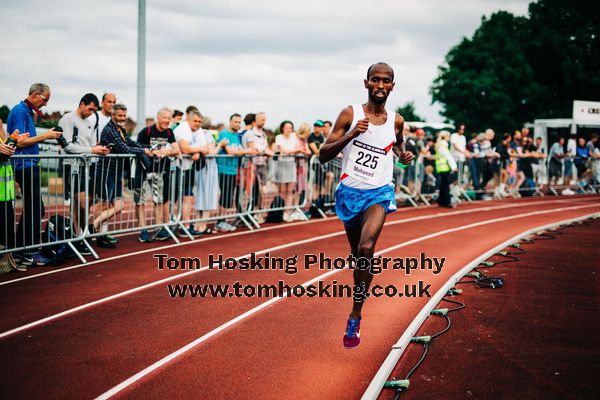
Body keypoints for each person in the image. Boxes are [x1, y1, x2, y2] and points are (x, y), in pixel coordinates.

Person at [318, 63, 412, 348]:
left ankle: (355, 315)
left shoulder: (397, 120)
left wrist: (402, 154)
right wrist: (351, 135)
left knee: (366, 248)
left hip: (379, 193)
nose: (380, 85)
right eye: (376, 80)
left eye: (386, 81)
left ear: (393, 86)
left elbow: (397, 144)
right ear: (366, 83)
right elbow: (323, 154)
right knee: (358, 259)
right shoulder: (351, 114)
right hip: (350, 193)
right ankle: (364, 271)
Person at [8, 83, 62, 266]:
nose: (46, 104)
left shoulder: (26, 111)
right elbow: (19, 143)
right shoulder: (20, 110)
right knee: (34, 208)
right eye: (45, 99)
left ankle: (23, 249)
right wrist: (45, 136)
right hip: (24, 164)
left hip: (29, 164)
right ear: (35, 95)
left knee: (36, 207)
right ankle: (26, 251)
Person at [58, 93, 111, 249]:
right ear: (82, 104)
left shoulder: (89, 122)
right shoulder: (67, 119)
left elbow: (91, 143)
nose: (91, 112)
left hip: (85, 166)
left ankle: (80, 237)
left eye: (94, 110)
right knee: (80, 204)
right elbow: (67, 146)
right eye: (89, 109)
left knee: (81, 204)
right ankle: (81, 235)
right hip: (72, 166)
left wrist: (100, 148)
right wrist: (92, 150)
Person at [97, 103, 152, 242]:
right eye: (120, 115)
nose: (122, 118)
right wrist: (143, 151)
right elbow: (124, 149)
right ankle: (98, 234)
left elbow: (130, 143)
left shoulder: (120, 129)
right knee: (104, 204)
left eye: (124, 115)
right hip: (106, 171)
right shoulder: (110, 130)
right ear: (112, 115)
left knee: (118, 206)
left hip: (116, 172)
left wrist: (148, 147)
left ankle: (95, 227)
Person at [134, 107, 180, 242]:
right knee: (140, 200)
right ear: (158, 118)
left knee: (158, 200)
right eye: (164, 118)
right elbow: (137, 148)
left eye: (169, 118)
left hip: (159, 171)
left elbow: (176, 149)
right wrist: (149, 151)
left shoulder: (169, 132)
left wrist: (166, 152)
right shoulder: (146, 131)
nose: (166, 121)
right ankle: (143, 229)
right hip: (142, 170)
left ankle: (158, 227)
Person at [215, 114, 256, 232]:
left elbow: (240, 150)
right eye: (235, 122)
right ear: (230, 121)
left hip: (233, 170)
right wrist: (245, 151)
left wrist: (241, 151)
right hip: (223, 169)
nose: (238, 124)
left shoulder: (237, 136)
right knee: (225, 195)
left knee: (229, 197)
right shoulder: (224, 134)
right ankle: (220, 221)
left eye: (239, 122)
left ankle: (223, 220)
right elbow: (230, 151)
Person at [174, 109, 206, 236]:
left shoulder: (199, 131)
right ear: (188, 119)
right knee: (172, 198)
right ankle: (167, 226)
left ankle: (185, 225)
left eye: (200, 121)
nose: (197, 124)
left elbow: (207, 149)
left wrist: (196, 152)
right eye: (195, 121)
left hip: (188, 168)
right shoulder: (183, 128)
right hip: (174, 166)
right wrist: (197, 151)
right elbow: (185, 148)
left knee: (188, 197)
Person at [435, 130, 458, 207]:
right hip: (444, 167)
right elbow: (448, 156)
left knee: (442, 185)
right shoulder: (443, 144)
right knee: (445, 186)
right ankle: (446, 202)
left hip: (440, 167)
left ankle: (441, 201)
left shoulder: (439, 144)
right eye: (448, 136)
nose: (449, 138)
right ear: (445, 137)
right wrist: (454, 166)